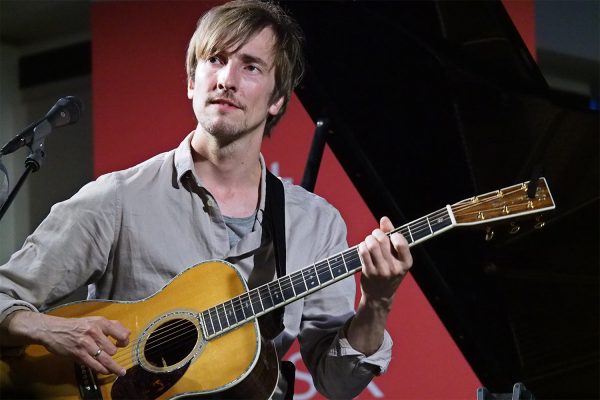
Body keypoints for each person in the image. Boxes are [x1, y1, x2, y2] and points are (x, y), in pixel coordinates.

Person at [0, 1, 412, 398]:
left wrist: (377, 301)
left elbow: (337, 384)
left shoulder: (316, 224)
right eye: (215, 60)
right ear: (191, 81)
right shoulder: (118, 198)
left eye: (250, 66)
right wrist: (49, 329)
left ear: (277, 100)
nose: (226, 80)